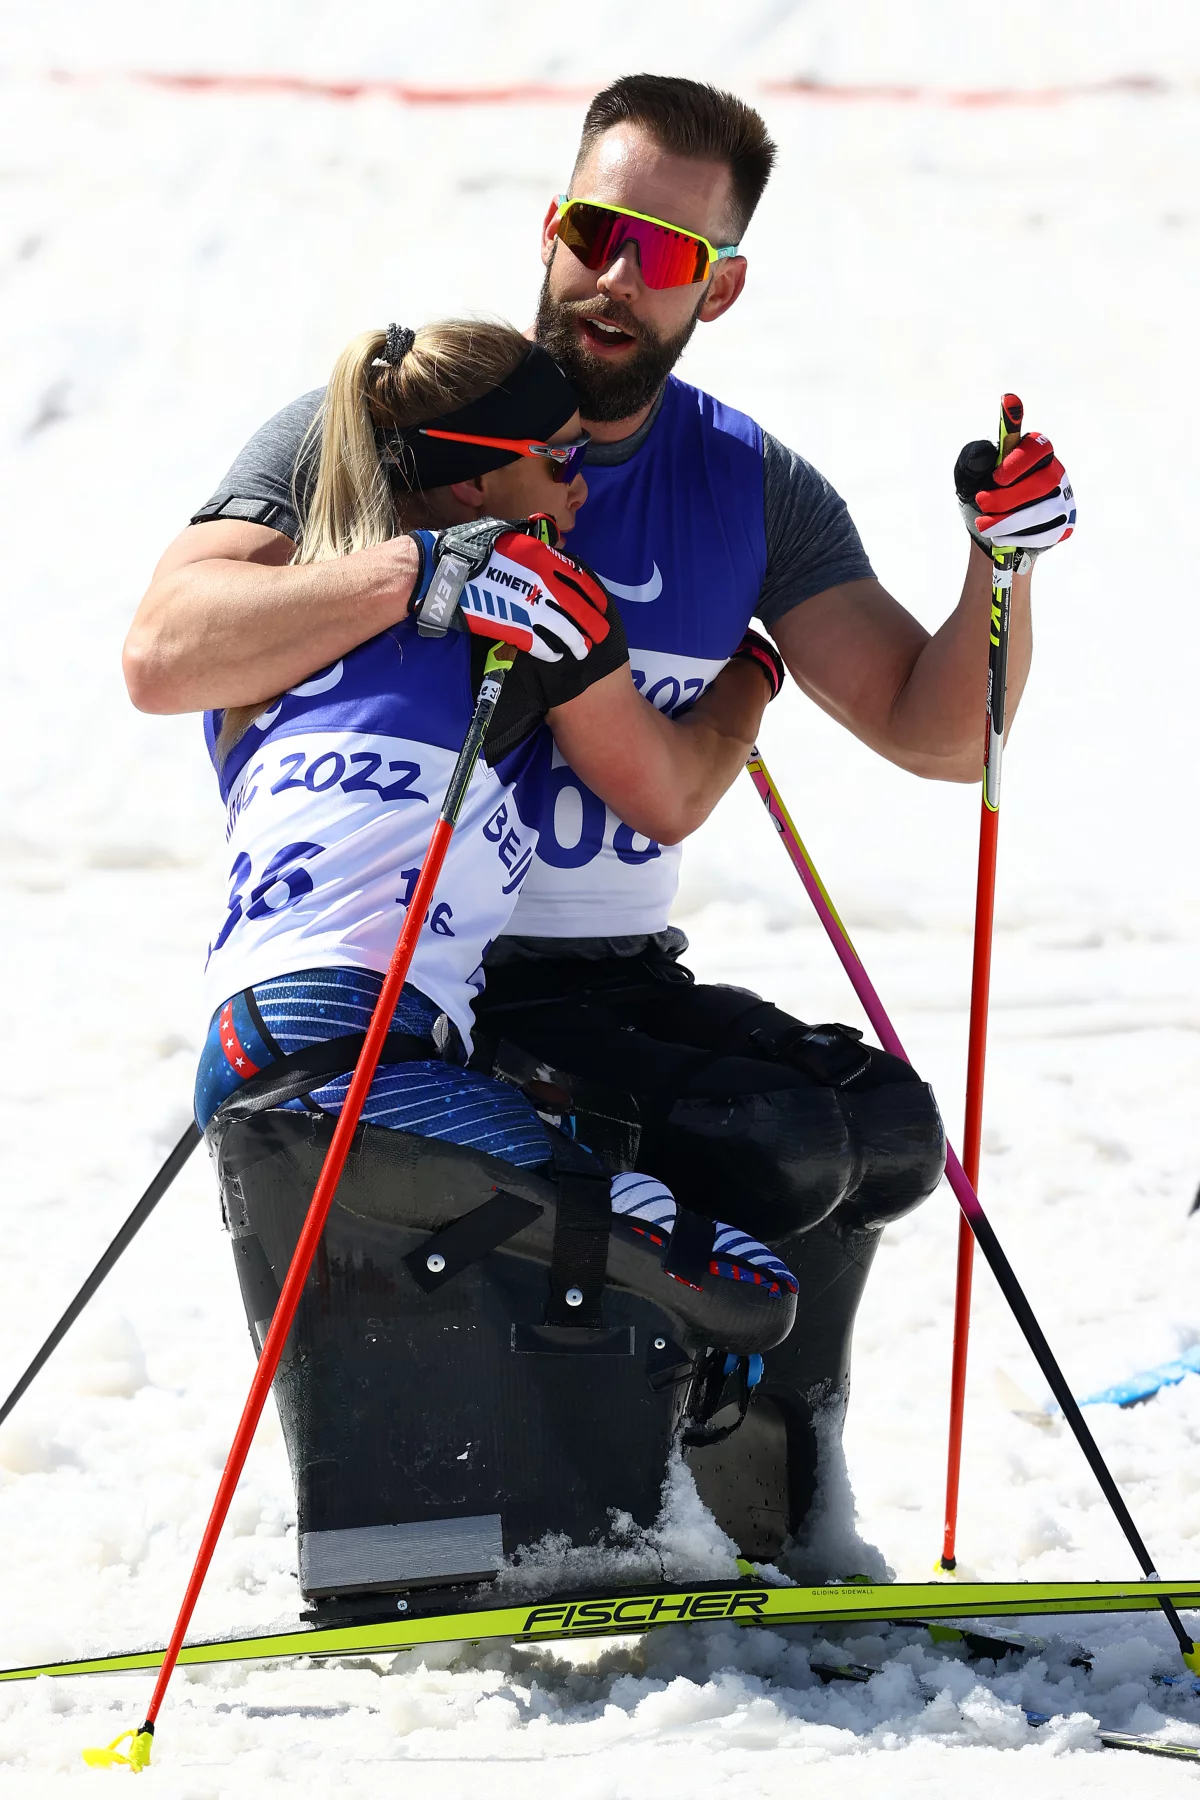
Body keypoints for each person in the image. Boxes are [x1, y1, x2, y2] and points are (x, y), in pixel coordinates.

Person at [128, 75, 1075, 1549]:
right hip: (445, 988)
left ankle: (772, 1516)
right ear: (551, 226)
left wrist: (1000, 569)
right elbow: (164, 651)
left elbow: (942, 733)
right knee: (772, 1137)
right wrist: (413, 572)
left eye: (668, 252)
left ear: (722, 286)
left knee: (883, 1129)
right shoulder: (410, 420)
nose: (618, 277)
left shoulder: (748, 487)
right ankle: (601, 1501)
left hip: (612, 977)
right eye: (596, 230)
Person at [195, 312, 794, 1294]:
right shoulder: (531, 595)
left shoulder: (279, 621)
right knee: (744, 1290)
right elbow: (675, 792)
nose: (580, 486)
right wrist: (754, 675)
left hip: (247, 1047)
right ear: (475, 481)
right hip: (368, 1058)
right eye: (561, 461)